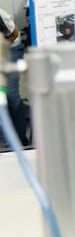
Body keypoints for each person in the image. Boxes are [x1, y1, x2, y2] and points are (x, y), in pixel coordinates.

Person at [0, 9, 28, 146]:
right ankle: (7, 140)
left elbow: (14, 33)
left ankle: (20, 140)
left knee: (11, 95)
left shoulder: (1, 16)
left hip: (10, 47)